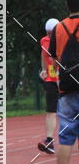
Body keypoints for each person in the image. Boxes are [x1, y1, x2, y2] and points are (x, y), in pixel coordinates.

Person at [47, 0, 79, 164]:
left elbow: (54, 58)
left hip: (67, 90)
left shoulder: (58, 28)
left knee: (65, 138)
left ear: (67, 4)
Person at [37, 18, 59, 154]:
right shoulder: (44, 41)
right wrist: (43, 70)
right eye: (48, 33)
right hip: (51, 80)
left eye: (53, 33)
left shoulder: (68, 40)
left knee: (73, 111)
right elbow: (43, 55)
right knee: (51, 111)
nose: (50, 36)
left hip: (67, 81)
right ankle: (49, 141)